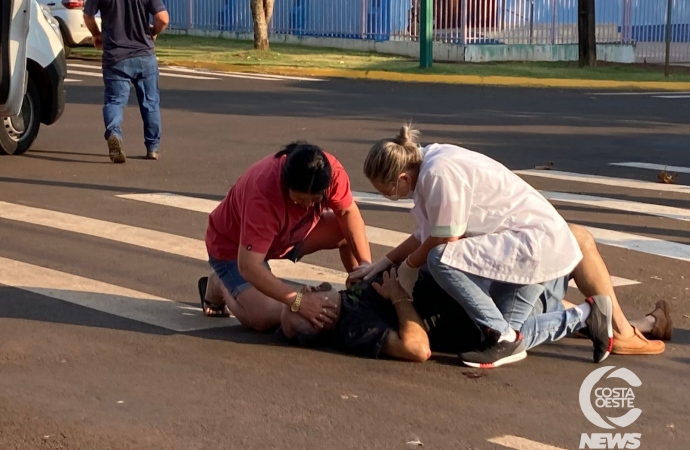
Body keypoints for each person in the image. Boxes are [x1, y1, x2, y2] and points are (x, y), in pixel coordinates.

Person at [350, 125, 667, 368]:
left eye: (387, 192)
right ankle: (587, 316)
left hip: (530, 247)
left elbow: (445, 237)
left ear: (403, 178)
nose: (389, 198)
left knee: (441, 260)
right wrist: (383, 263)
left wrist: (406, 270)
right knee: (516, 332)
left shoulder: (439, 173)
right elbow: (424, 232)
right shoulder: (428, 164)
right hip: (525, 248)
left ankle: (505, 334)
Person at [198, 223, 672, 364]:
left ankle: (630, 324)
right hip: (481, 317)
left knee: (554, 284)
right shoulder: (354, 327)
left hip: (479, 294)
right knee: (573, 243)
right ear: (320, 321)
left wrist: (378, 267)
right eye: (307, 303)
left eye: (304, 292)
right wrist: (400, 299)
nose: (308, 292)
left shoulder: (353, 297)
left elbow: (395, 257)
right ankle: (618, 326)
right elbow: (416, 347)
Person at [201, 142, 372, 332]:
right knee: (264, 316)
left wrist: (365, 265)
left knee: (346, 231)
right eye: (299, 199)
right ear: (285, 183)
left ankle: (361, 293)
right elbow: (249, 265)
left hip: (290, 235)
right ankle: (220, 283)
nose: (306, 206)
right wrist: (297, 301)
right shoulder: (264, 192)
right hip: (234, 248)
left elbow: (349, 214)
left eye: (315, 200)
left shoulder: (332, 172)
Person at [83, 0, 170, 163]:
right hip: (144, 55)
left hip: (115, 56)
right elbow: (163, 18)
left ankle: (114, 133)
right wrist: (154, 32)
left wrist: (96, 34)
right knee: (150, 103)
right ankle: (153, 147)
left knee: (114, 101)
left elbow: (88, 16)